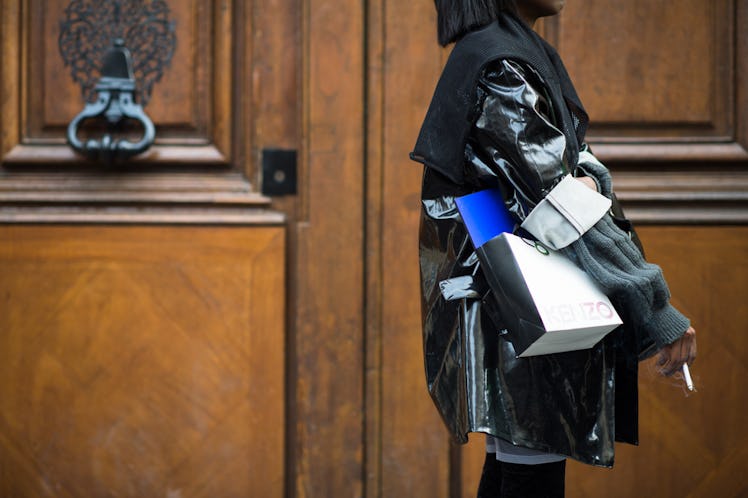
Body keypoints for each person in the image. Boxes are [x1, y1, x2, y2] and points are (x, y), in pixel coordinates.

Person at [409, 1, 698, 497]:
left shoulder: (501, 54)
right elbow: (564, 211)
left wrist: (581, 185)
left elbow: (556, 193)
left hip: (511, 305)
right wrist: (655, 310)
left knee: (513, 468)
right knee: (528, 474)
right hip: (528, 312)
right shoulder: (501, 66)